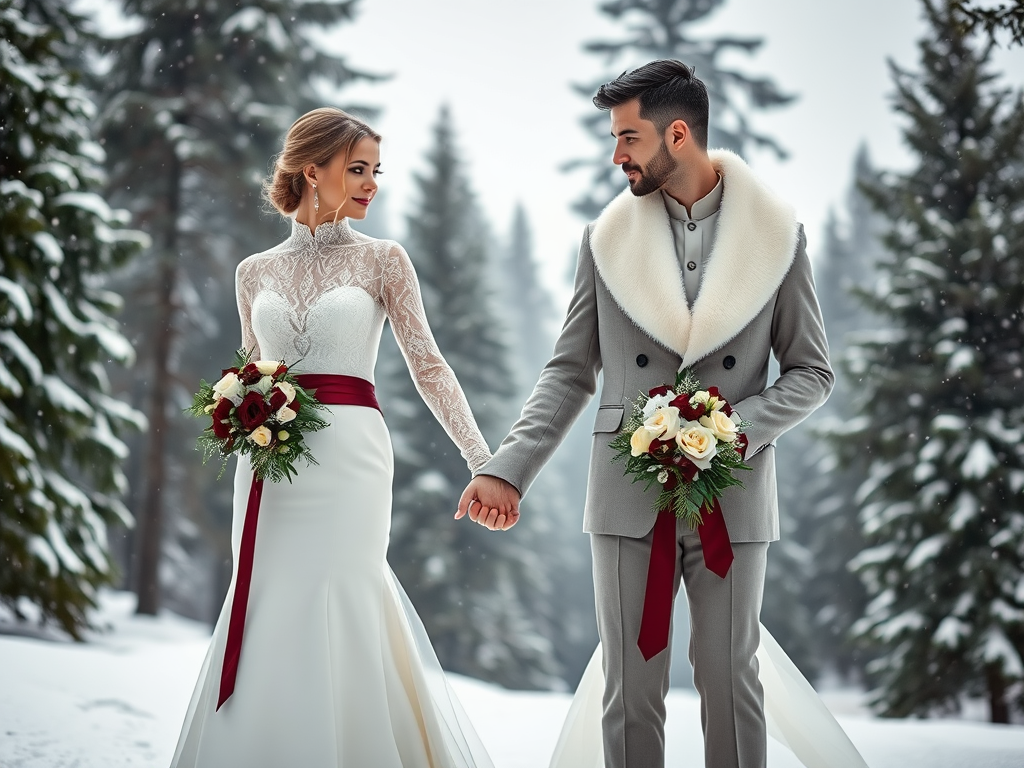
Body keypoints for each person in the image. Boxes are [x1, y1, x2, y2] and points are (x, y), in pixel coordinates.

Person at [458, 61, 867, 768]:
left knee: (730, 681)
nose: (615, 156)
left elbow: (812, 373)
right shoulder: (604, 242)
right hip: (626, 495)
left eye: (627, 138)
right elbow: (568, 370)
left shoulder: (779, 239)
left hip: (732, 497)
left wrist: (734, 431)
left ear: (677, 134)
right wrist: (507, 469)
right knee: (630, 691)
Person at [170, 107, 494, 768]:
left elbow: (429, 368)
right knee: (267, 600)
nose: (372, 184)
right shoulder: (253, 271)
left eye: (376, 171)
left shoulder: (384, 260)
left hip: (352, 459)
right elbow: (248, 369)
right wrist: (236, 409)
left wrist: (482, 459)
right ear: (311, 170)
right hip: (268, 466)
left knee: (344, 591)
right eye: (357, 170)